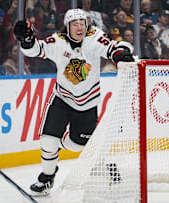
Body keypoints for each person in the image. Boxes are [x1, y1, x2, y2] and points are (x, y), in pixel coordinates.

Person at [13, 8, 134, 196]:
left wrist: (120, 54)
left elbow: (111, 48)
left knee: (78, 145)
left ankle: (60, 147)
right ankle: (47, 177)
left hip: (88, 103)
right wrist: (26, 40)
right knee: (47, 141)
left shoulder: (94, 38)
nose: (80, 27)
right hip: (62, 98)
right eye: (75, 24)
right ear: (67, 26)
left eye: (83, 23)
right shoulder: (58, 41)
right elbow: (36, 49)